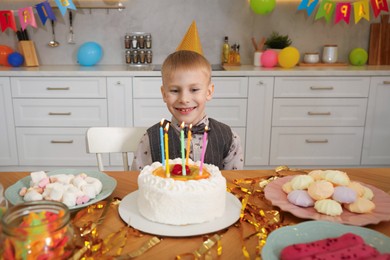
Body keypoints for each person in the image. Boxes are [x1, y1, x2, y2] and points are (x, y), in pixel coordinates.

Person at [131, 50, 243, 171]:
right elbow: (137, 181)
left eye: (194, 89)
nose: (184, 99)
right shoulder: (151, 138)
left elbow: (232, 184)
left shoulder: (229, 138)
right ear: (164, 94)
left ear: (209, 92)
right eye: (175, 90)